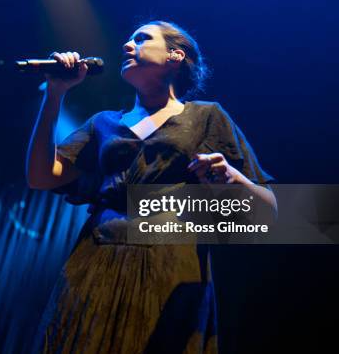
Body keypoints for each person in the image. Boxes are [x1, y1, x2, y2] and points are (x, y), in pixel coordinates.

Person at [26, 20, 277, 354]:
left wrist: (232, 177)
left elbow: (269, 212)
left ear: (175, 55)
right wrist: (55, 95)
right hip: (97, 258)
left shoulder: (206, 117)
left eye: (142, 39)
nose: (128, 45)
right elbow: (41, 176)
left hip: (170, 263)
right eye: (128, 40)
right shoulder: (104, 123)